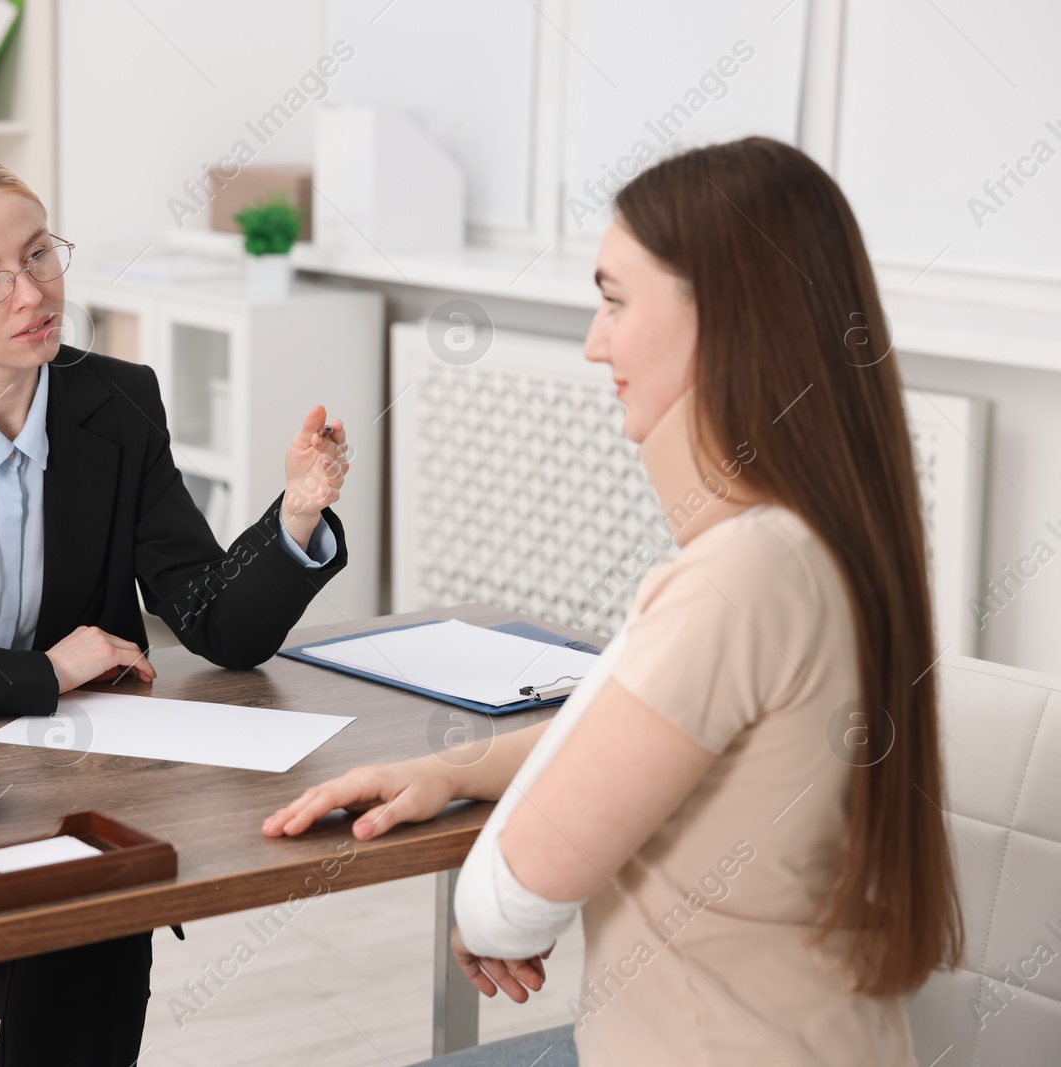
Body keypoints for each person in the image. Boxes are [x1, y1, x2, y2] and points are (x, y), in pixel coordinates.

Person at [263, 136, 963, 1067]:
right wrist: (460, 768)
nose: (595, 343)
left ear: (726, 318)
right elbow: (653, 737)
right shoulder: (819, 541)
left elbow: (501, 901)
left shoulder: (736, 576)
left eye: (615, 300)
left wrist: (506, 884)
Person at [0, 150, 352, 1066]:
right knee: (90, 938)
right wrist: (46, 671)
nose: (32, 292)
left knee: (95, 920)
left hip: (64, 788)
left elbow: (217, 623)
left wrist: (294, 518)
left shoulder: (115, 402)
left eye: (40, 253)